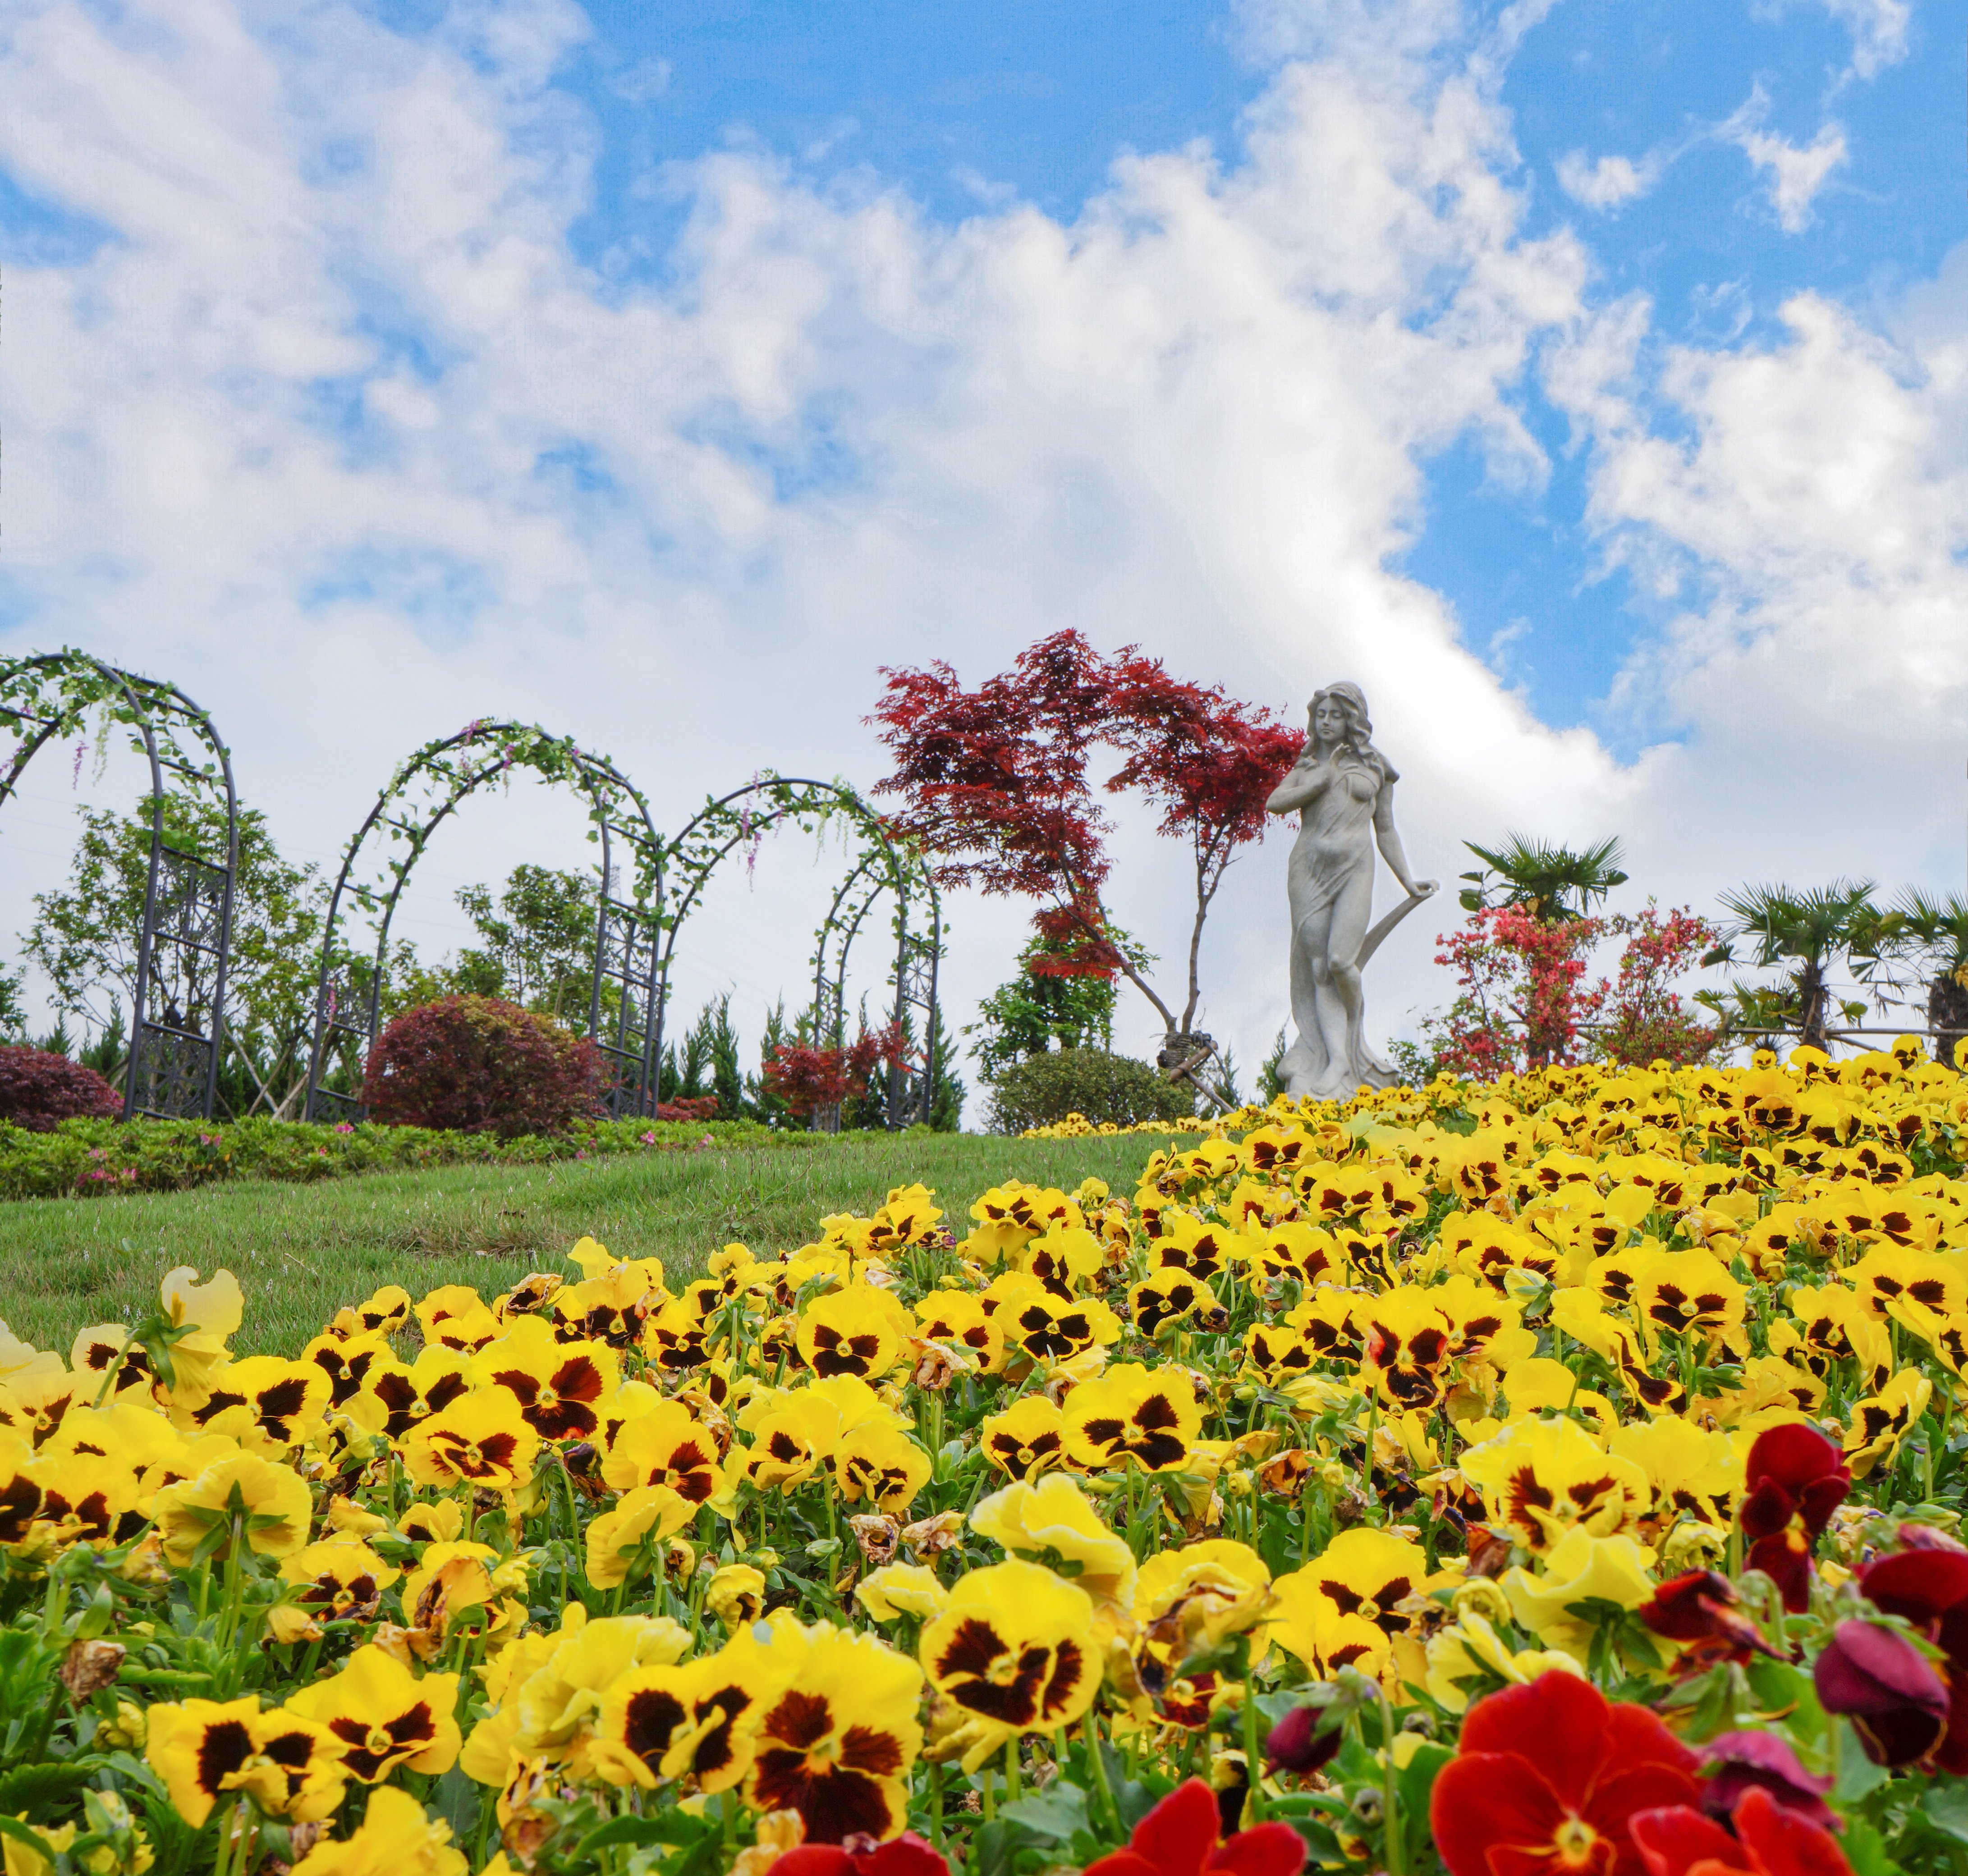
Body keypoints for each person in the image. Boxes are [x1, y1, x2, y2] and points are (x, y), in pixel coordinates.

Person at [1266, 682, 1435, 1099]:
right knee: (1321, 969)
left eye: (1335, 715)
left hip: (1355, 869)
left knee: (1343, 961)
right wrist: (1321, 779)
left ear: (1352, 720)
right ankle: (1336, 1059)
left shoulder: (1377, 765)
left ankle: (1353, 1046)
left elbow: (1387, 829)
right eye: (1321, 715)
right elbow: (1275, 803)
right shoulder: (1308, 764)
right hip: (1308, 871)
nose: (1326, 722)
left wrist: (1407, 881)